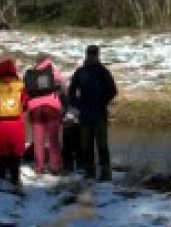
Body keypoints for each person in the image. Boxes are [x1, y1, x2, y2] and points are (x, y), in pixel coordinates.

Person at [67, 45, 118, 182]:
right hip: (93, 113)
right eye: (91, 55)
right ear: (96, 55)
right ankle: (99, 173)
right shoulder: (99, 71)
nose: (91, 57)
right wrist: (101, 101)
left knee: (92, 145)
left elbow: (71, 91)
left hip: (92, 113)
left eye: (92, 55)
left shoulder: (86, 71)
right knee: (94, 145)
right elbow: (113, 90)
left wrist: (78, 104)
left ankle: (96, 173)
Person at [0, 59, 28, 185]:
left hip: (0, 123)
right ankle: (15, 177)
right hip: (17, 123)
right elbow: (25, 103)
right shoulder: (20, 85)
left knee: (2, 152)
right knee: (16, 152)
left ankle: (1, 175)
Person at [23, 54, 65, 175]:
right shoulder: (52, 69)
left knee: (38, 140)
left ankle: (39, 168)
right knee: (53, 140)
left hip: (35, 108)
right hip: (52, 107)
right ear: (47, 60)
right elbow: (63, 85)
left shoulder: (31, 73)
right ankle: (55, 167)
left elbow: (26, 90)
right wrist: (62, 97)